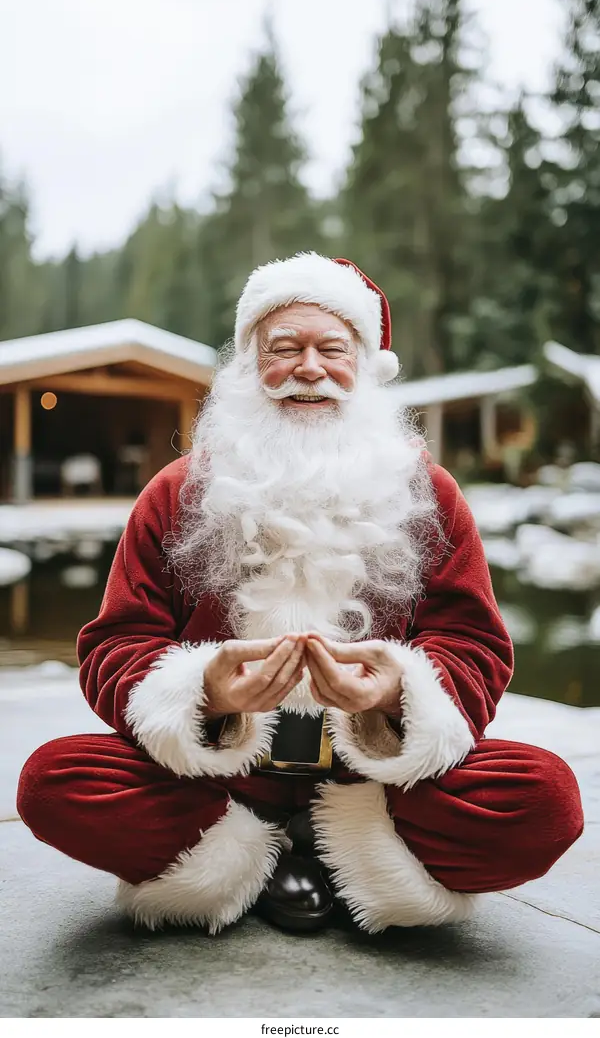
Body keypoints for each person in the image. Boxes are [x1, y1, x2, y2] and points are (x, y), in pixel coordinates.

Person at [17, 254, 584, 936]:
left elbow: (473, 643)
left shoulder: (429, 494)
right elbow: (116, 643)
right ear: (250, 369)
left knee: (544, 799)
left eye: (331, 350)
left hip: (379, 783)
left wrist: (394, 694)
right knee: (55, 781)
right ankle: (248, 847)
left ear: (368, 367)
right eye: (283, 349)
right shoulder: (175, 491)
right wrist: (206, 692)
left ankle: (342, 848)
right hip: (218, 784)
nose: (308, 368)